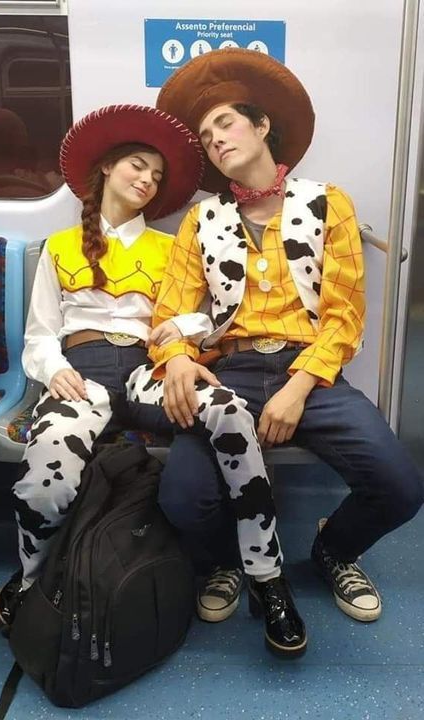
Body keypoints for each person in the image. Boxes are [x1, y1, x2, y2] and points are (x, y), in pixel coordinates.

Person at [127, 49, 423, 649]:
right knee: (181, 498)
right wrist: (179, 357)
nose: (215, 141)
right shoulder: (200, 219)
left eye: (225, 125)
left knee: (401, 486)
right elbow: (172, 313)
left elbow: (344, 314)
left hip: (307, 374)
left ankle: (332, 548)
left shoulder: (327, 202)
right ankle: (226, 563)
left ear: (261, 126)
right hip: (229, 372)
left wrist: (297, 387)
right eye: (206, 137)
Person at [0, 103, 213, 636]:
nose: (147, 180)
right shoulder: (62, 246)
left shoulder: (169, 247)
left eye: (157, 176)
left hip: (145, 370)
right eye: (138, 165)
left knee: (221, 414)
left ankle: (226, 563)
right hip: (81, 373)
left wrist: (181, 331)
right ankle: (33, 580)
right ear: (109, 167)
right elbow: (41, 332)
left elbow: (200, 311)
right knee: (45, 481)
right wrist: (53, 368)